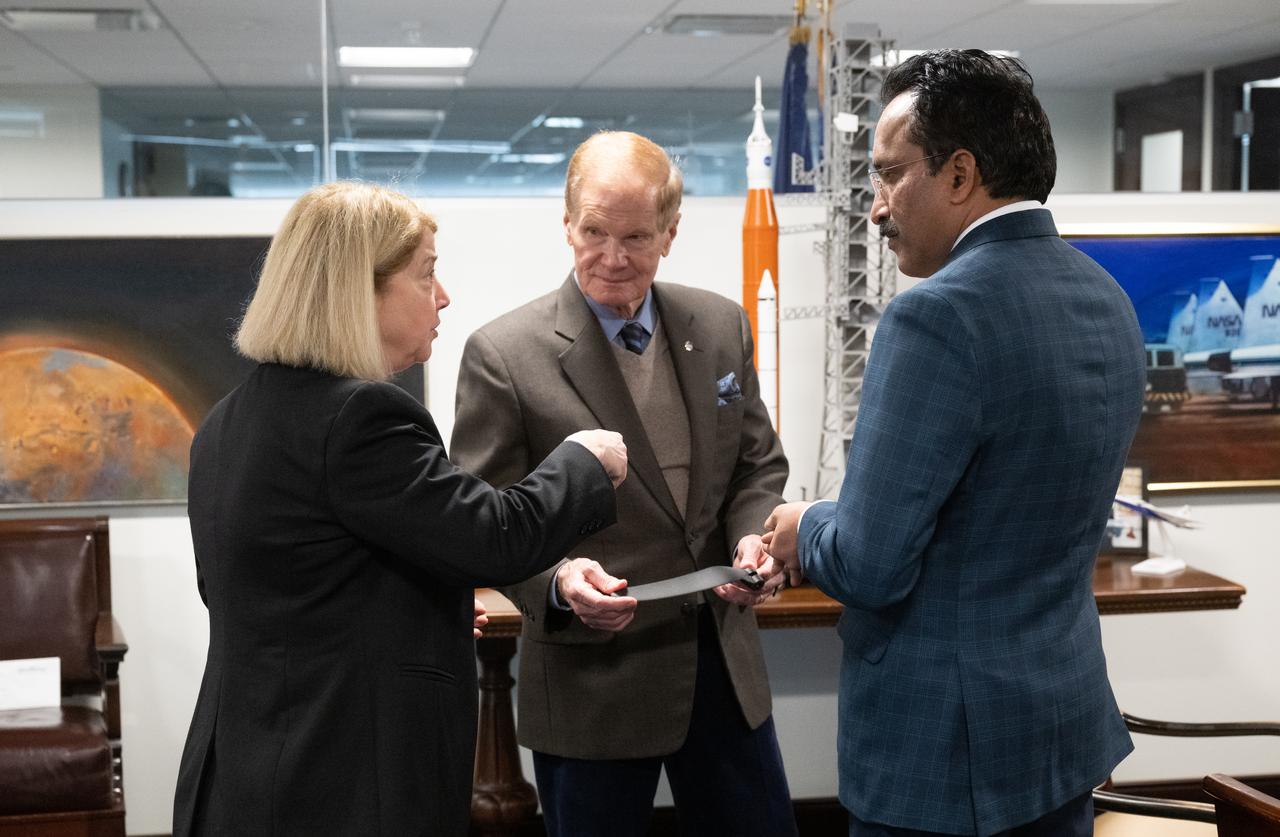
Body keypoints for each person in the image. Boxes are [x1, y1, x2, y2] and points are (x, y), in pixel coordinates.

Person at [764, 50, 1146, 837]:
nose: (875, 208)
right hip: (1058, 736)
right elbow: (989, 505)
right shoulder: (1105, 296)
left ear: (961, 175)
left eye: (891, 173)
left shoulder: (935, 317)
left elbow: (870, 562)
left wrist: (807, 527)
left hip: (941, 759)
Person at [172, 181, 628, 837]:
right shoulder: (360, 417)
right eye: (426, 274)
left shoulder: (226, 422)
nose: (443, 296)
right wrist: (581, 458)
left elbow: (272, 592)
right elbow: (495, 537)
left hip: (246, 772)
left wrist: (411, 609)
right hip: (336, 783)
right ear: (359, 291)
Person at [450, 131, 798, 837]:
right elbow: (482, 520)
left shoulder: (722, 324)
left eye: (637, 236)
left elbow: (756, 465)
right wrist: (556, 580)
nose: (612, 257)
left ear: (671, 233)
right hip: (591, 681)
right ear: (567, 223)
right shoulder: (505, 355)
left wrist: (751, 538)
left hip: (723, 673)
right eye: (594, 232)